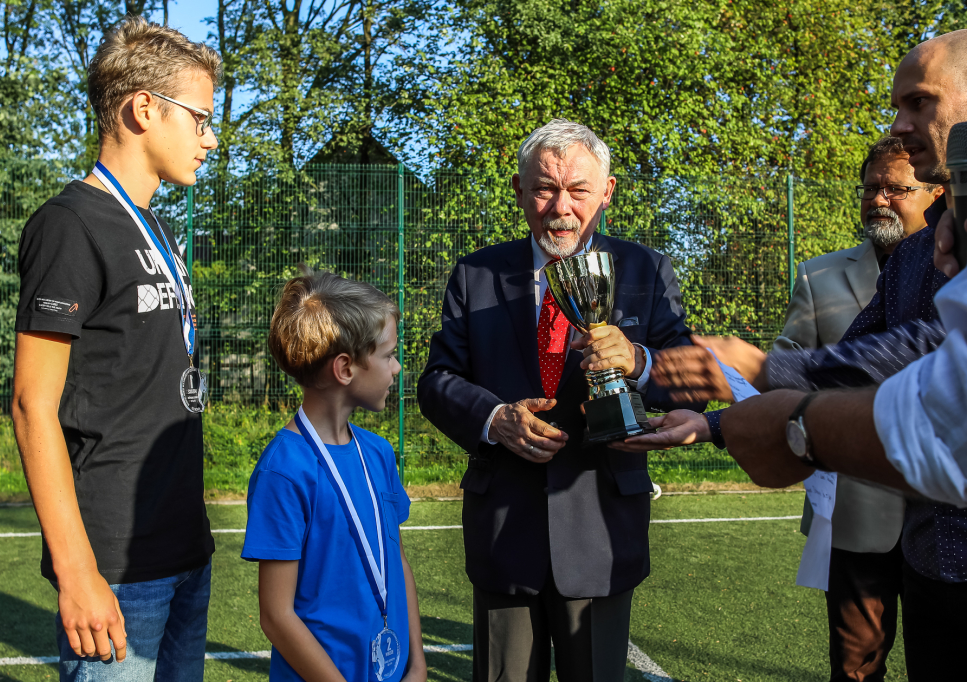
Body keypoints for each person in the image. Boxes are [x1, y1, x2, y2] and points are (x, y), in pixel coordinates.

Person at [621, 30, 967, 680]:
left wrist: (759, 371)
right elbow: (867, 352)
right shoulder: (918, 257)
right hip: (933, 561)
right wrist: (715, 419)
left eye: (919, 102)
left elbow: (931, 354)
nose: (901, 124)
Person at [417, 118, 703, 682]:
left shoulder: (644, 268)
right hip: (505, 528)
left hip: (602, 527)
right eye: (545, 189)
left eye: (577, 189)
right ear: (521, 191)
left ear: (608, 191)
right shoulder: (476, 273)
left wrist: (639, 360)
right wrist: (494, 419)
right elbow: (436, 381)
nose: (560, 207)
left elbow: (688, 374)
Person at [11, 17, 220, 680]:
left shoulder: (157, 226)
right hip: (117, 565)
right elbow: (29, 404)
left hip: (184, 546)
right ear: (144, 110)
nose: (209, 140)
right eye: (200, 119)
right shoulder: (70, 225)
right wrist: (76, 572)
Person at [775, 136, 940, 682]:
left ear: (937, 192)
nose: (880, 200)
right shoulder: (819, 276)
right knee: (854, 666)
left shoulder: (955, 271)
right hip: (856, 509)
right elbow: (787, 364)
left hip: (943, 515)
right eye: (871, 188)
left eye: (897, 188)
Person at [241, 270, 427, 682]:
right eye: (388, 355)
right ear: (345, 368)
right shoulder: (285, 471)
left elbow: (395, 562)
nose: (396, 368)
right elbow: (276, 615)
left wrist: (417, 663)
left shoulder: (378, 454)